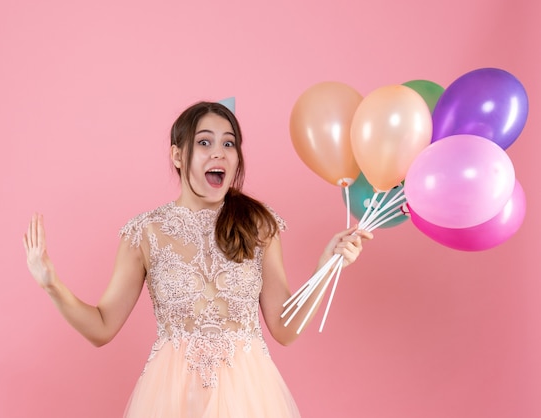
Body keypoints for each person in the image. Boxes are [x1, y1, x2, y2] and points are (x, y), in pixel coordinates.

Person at [23, 101, 373, 417]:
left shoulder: (258, 225)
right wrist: (51, 284)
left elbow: (285, 328)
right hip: (172, 400)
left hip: (248, 399)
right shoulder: (145, 233)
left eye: (228, 143)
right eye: (204, 142)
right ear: (177, 155)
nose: (218, 153)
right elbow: (101, 327)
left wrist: (328, 266)